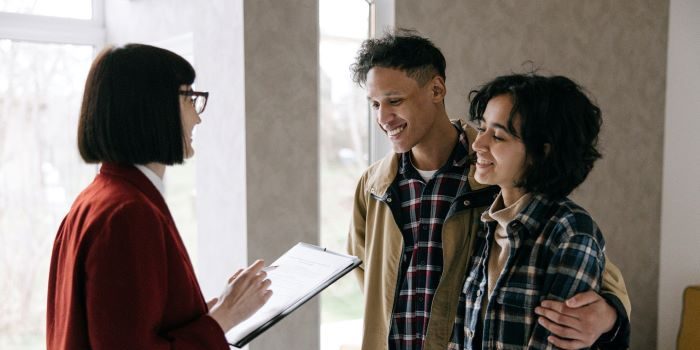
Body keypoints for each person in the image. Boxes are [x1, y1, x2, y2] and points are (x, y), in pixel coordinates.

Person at [346, 30, 631, 350]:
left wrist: (610, 315)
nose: (383, 118)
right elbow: (371, 283)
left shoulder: (497, 177)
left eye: (394, 101)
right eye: (374, 104)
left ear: (437, 89)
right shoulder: (373, 187)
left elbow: (597, 274)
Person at [46, 44, 272, 349]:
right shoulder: (127, 214)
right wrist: (225, 318)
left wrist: (213, 313)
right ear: (154, 106)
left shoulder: (96, 200)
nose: (198, 117)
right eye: (190, 98)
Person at [452, 73, 616, 349]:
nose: (478, 144)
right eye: (482, 129)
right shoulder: (486, 224)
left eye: (498, 136)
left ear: (542, 152)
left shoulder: (571, 232)